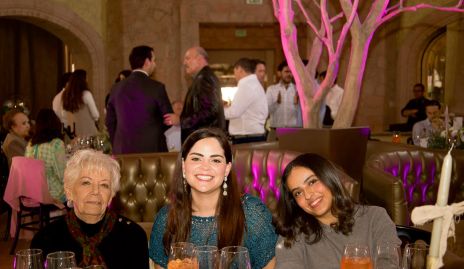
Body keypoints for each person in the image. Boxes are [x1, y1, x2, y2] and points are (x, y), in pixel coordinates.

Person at [149, 128, 277, 269]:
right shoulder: (165, 219)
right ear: (184, 166)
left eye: (215, 160)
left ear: (227, 169)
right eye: (196, 158)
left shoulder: (252, 213)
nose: (205, 167)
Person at [274, 153, 400, 269]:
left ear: (328, 177)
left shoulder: (375, 218)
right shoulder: (292, 234)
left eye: (312, 182)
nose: (308, 195)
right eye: (298, 193)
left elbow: (389, 262)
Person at [30, 149, 149, 269]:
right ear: (69, 191)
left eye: (104, 185)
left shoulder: (133, 237)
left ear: (111, 195)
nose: (96, 192)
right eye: (86, 183)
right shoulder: (45, 239)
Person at [106, 45, 173, 154]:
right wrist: (153, 132)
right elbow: (168, 119)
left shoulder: (116, 88)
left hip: (123, 150)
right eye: (154, 60)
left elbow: (110, 121)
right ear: (147, 62)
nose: (155, 65)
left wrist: (117, 143)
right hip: (152, 150)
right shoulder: (156, 87)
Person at [163, 46, 226, 143]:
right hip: (204, 139)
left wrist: (181, 121)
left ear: (200, 59)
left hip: (205, 140)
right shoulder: (202, 78)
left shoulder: (205, 78)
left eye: (188, 58)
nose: (184, 63)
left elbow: (209, 110)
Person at [25, 108, 66, 202]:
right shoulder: (56, 144)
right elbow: (62, 176)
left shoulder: (30, 144)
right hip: (52, 195)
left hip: (32, 193)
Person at [224, 58, 268, 144]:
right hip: (253, 136)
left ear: (240, 69)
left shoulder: (246, 85)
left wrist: (219, 109)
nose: (235, 75)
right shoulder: (255, 84)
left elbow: (234, 112)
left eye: (235, 72)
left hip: (247, 138)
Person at [61, 69, 100, 138]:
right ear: (83, 80)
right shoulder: (86, 94)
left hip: (76, 133)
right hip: (90, 131)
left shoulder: (66, 96)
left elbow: (64, 116)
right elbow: (96, 115)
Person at [266, 60, 300, 130]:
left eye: (291, 72)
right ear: (279, 73)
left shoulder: (298, 90)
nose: (289, 74)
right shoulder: (271, 90)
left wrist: (297, 105)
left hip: (294, 130)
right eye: (286, 71)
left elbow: (303, 115)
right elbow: (267, 111)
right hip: (276, 129)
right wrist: (277, 103)